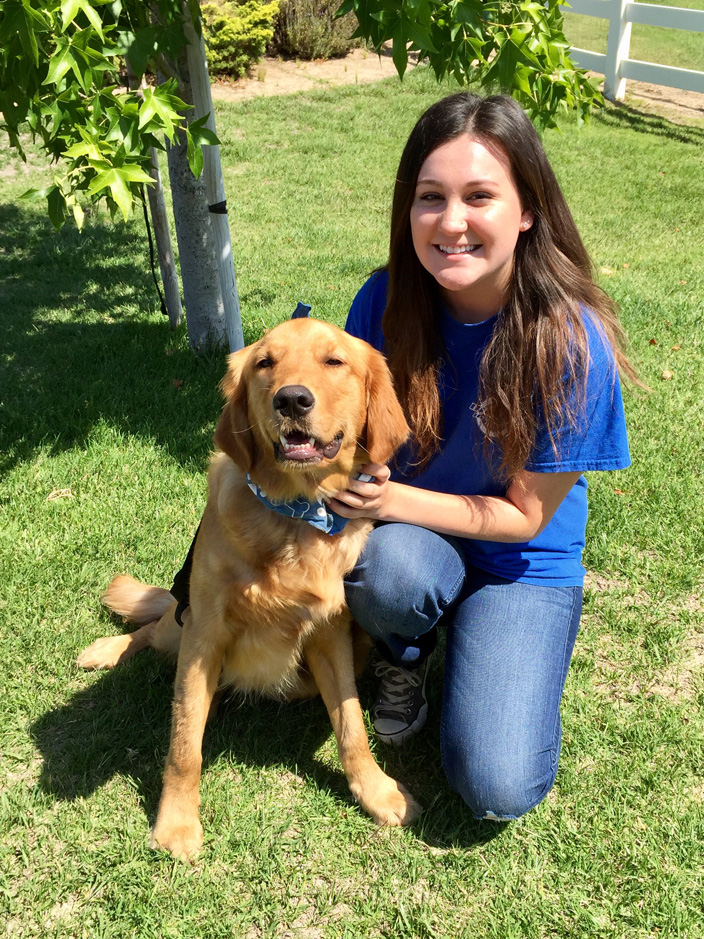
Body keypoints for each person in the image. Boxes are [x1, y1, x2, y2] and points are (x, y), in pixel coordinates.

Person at [328, 92, 636, 822]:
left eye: (479, 196)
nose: (452, 221)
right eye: (430, 197)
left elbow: (525, 517)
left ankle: (480, 629)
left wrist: (387, 501)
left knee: (498, 786)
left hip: (521, 561)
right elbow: (346, 446)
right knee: (389, 572)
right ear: (408, 211)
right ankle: (409, 652)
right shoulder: (382, 302)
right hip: (414, 544)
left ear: (527, 208)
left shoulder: (571, 338)